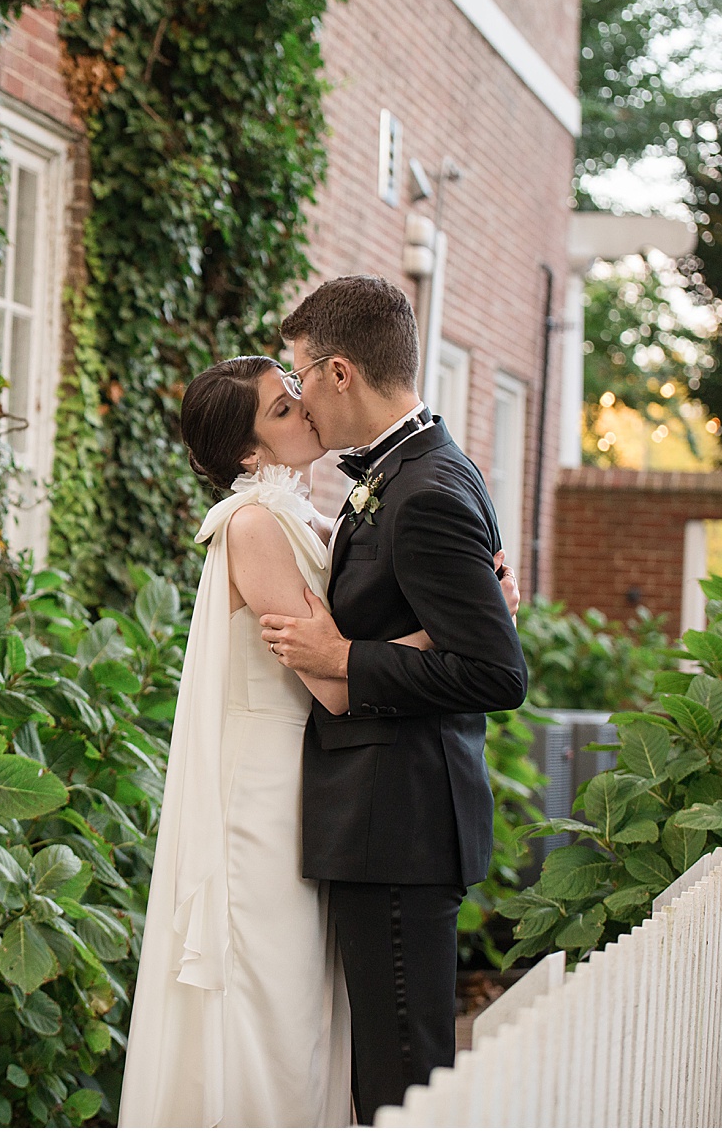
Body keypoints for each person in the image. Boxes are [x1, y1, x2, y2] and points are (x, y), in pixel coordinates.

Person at [117, 353, 518, 1127]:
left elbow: (360, 627)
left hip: (310, 784)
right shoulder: (255, 525)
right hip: (261, 801)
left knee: (305, 997)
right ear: (247, 453)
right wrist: (462, 628)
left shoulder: (305, 512)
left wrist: (477, 597)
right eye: (279, 409)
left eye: (295, 394)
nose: (302, 410)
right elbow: (333, 683)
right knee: (271, 995)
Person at [258, 275, 528, 1120]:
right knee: (387, 1072)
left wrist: (348, 657)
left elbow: (496, 673)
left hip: (400, 826)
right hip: (389, 822)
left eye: (301, 374)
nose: (298, 394)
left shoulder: (424, 489)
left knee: (402, 1085)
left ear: (341, 372)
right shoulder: (424, 466)